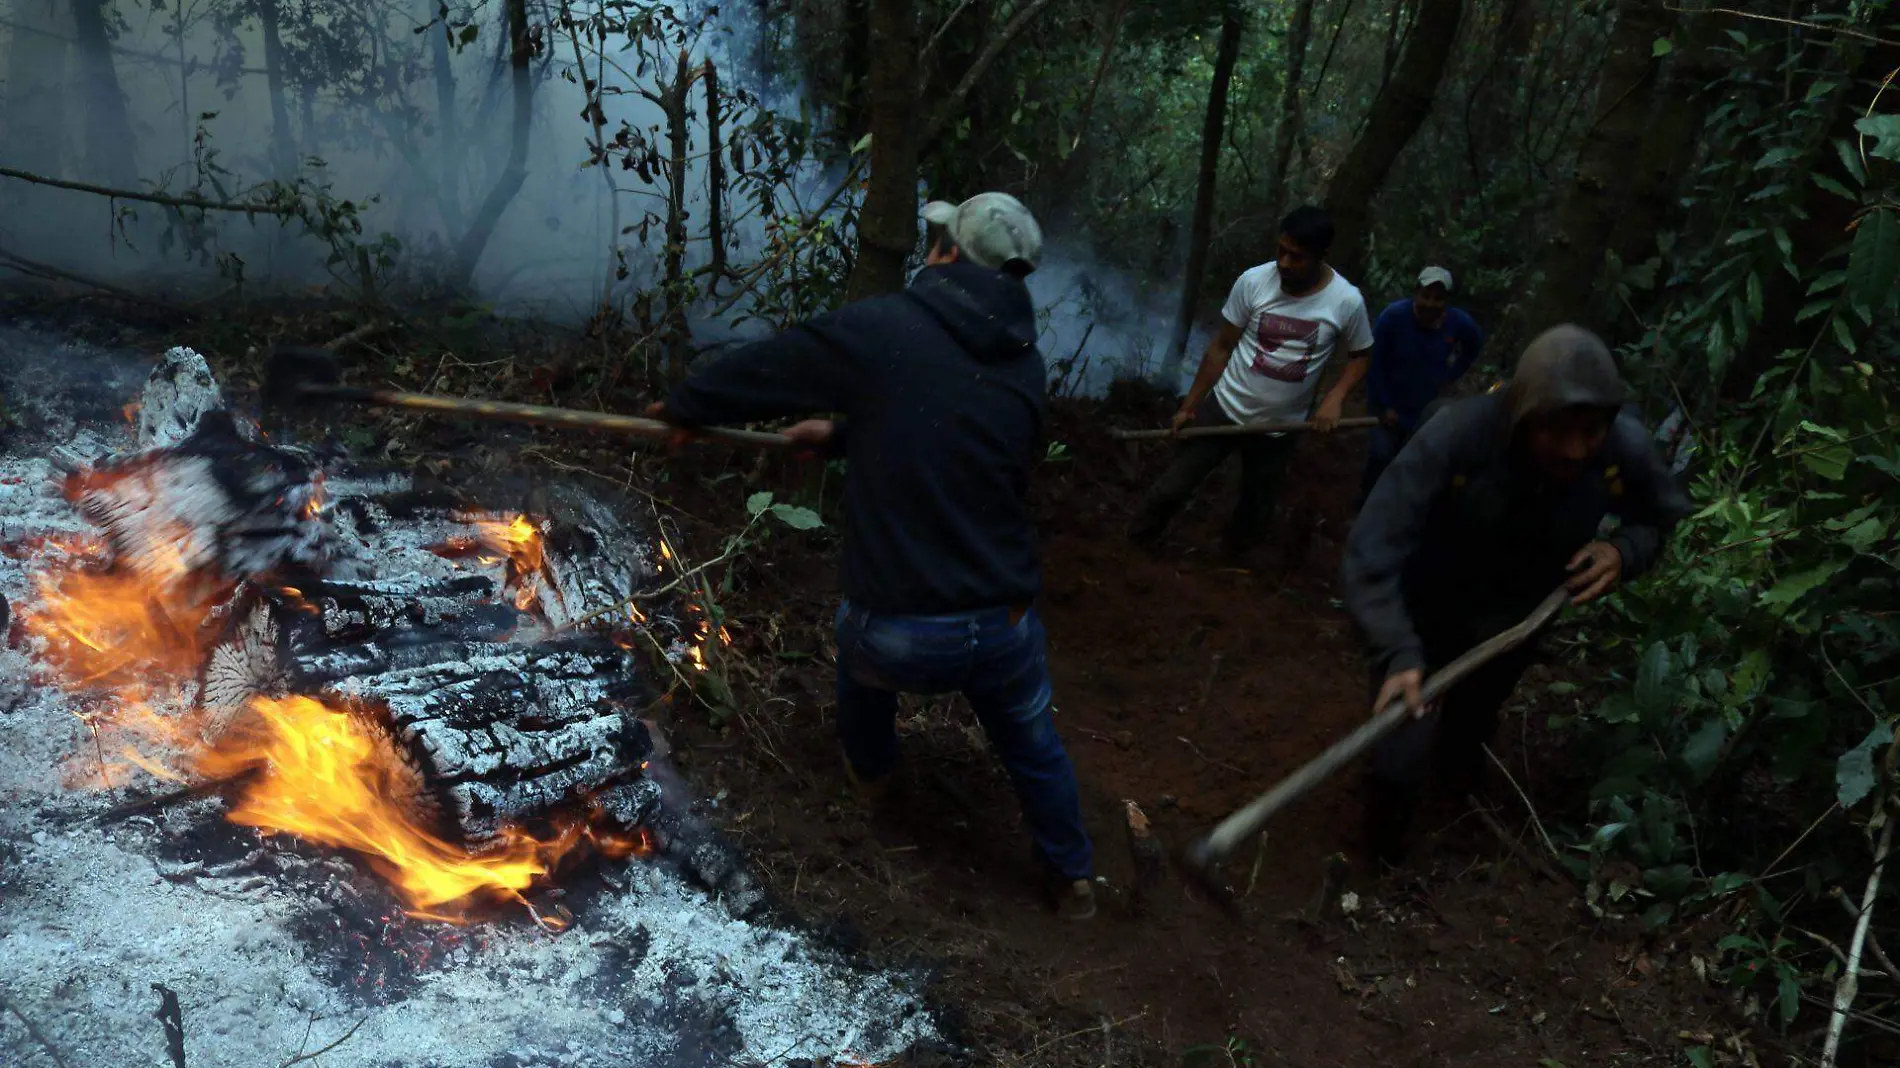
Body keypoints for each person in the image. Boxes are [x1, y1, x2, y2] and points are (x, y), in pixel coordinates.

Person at [646, 193, 1098, 920]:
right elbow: (951, 431)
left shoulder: (889, 327)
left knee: (859, 666)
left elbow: (781, 364)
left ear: (947, 253)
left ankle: (876, 784)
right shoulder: (1026, 363)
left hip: (902, 633)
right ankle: (1073, 879)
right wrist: (843, 435)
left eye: (940, 238)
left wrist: (689, 404)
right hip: (1003, 624)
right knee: (1035, 746)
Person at [1342, 324, 1691, 868]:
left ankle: (1452, 802)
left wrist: (1625, 550)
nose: (1576, 450)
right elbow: (1372, 548)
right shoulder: (1455, 437)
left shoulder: (1622, 445)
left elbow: (1662, 516)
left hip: (1515, 620)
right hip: (1424, 614)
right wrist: (1396, 651)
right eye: (1558, 430)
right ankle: (1378, 863)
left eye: (1591, 430)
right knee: (1399, 752)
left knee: (1474, 719)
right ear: (1523, 414)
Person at [1128, 206, 1374, 560]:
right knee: (1173, 485)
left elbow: (1361, 354)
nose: (1285, 263)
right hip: (1226, 407)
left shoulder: (1346, 302)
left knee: (1256, 507)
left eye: (1297, 257)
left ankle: (1229, 566)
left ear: (1323, 256)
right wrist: (1190, 406)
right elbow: (1221, 347)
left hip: (1280, 427)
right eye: (1281, 251)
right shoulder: (1254, 281)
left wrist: (1336, 395)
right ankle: (1135, 543)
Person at [1360, 265, 1485, 504]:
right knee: (1381, 454)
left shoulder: (1457, 323)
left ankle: (1395, 506)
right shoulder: (1393, 317)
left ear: (1446, 301)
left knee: (1409, 458)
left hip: (1423, 406)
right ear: (1416, 293)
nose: (1430, 303)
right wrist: (1384, 406)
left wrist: (1450, 376)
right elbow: (1374, 363)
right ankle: (1365, 502)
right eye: (1425, 296)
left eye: (1438, 299)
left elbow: (1473, 346)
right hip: (1387, 400)